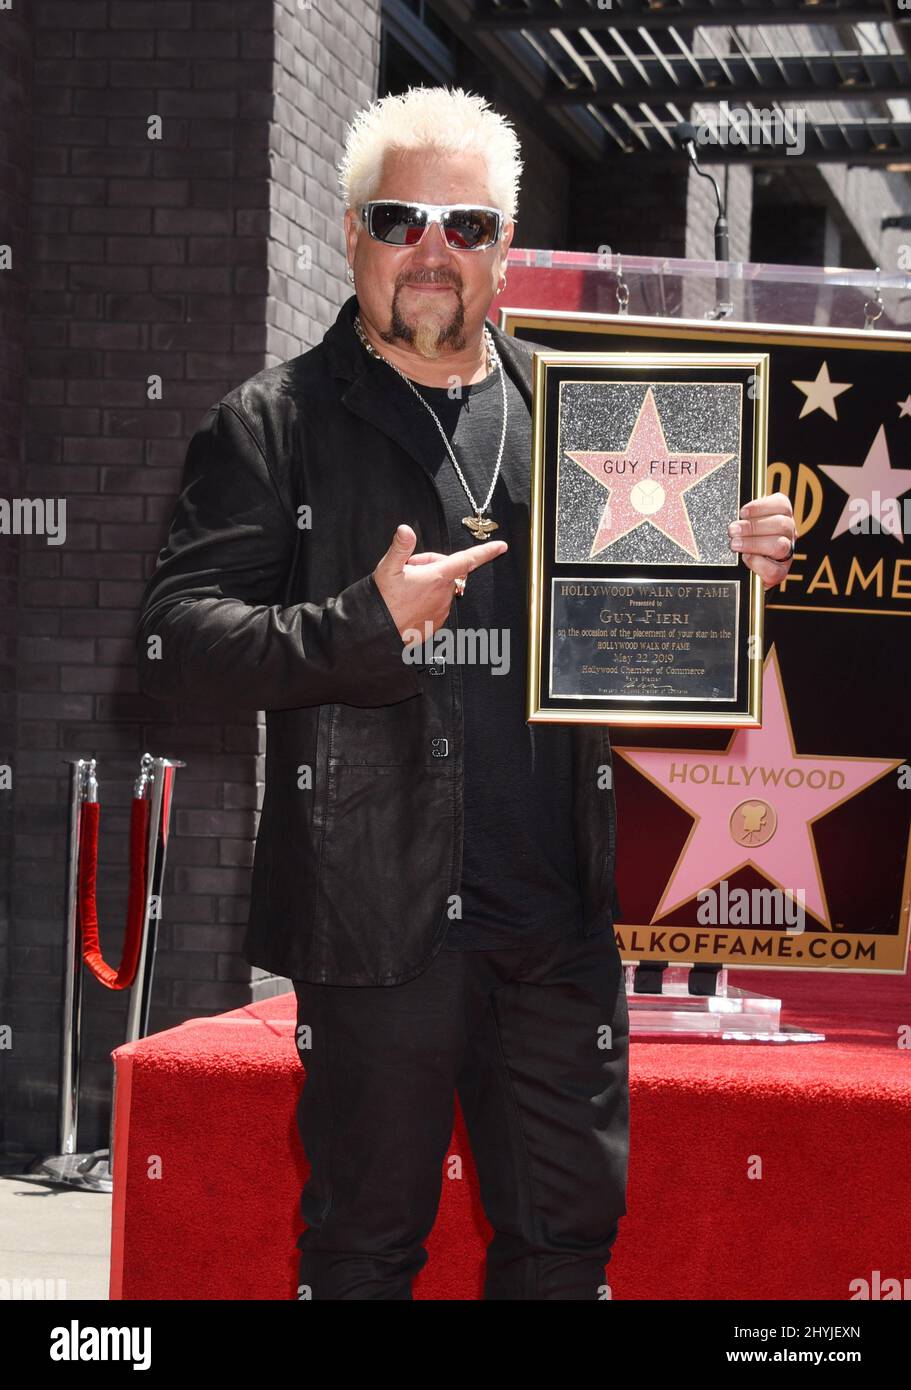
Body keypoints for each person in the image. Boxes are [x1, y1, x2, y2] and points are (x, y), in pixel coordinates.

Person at [136, 86, 796, 1300]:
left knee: (563, 1250)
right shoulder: (273, 424)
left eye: (466, 223)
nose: (433, 249)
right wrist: (362, 622)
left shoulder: (585, 426)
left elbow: (656, 670)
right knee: (363, 1251)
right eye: (400, 219)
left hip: (553, 930)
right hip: (370, 924)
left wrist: (728, 575)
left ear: (505, 247)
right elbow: (177, 645)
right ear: (350, 236)